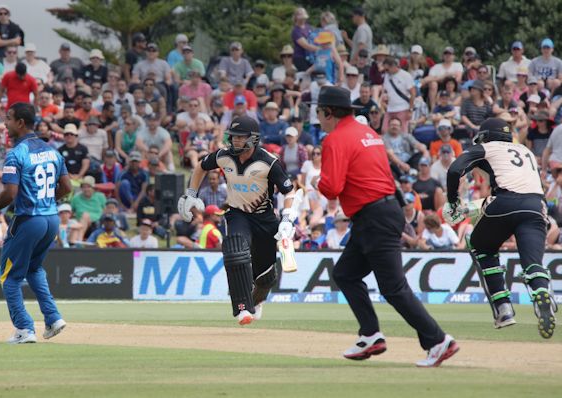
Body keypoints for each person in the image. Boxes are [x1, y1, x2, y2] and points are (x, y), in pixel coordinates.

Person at [311, 85, 458, 366]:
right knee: (345, 274)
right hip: (382, 211)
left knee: (393, 288)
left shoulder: (334, 139)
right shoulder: (368, 133)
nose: (317, 116)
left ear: (329, 111)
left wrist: (315, 180)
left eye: (319, 111)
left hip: (373, 217)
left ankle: (438, 341)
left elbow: (331, 189)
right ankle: (370, 334)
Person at [444, 118, 557, 338]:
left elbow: (454, 169)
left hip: (505, 203)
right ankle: (542, 293)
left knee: (480, 246)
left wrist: (454, 202)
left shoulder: (487, 146)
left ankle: (502, 307)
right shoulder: (524, 150)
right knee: (533, 263)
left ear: (486, 136)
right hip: (536, 207)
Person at [178, 115, 296, 325]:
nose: (235, 142)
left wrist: (286, 218)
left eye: (240, 138)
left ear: (252, 139)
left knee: (265, 277)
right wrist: (191, 194)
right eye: (233, 137)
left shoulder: (269, 162)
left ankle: (256, 300)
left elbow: (289, 191)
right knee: (235, 253)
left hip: (265, 219)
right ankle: (242, 308)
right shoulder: (224, 156)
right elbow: (201, 167)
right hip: (237, 213)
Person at [0, 102, 71, 344]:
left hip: (29, 220)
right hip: (51, 219)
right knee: (33, 269)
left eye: (8, 118)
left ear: (20, 123)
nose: (4, 123)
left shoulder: (16, 153)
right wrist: (45, 202)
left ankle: (24, 328)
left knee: (9, 277)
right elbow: (67, 187)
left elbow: (10, 193)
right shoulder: (53, 151)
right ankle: (53, 318)